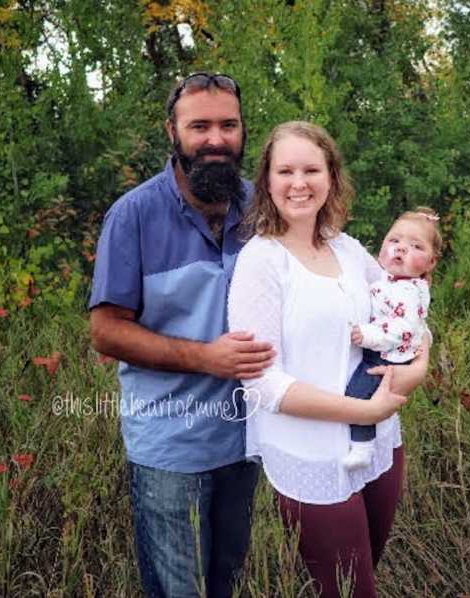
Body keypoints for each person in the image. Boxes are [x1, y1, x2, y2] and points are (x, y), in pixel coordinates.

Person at [88, 73, 275, 598]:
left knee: (225, 582)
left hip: (248, 440)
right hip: (172, 446)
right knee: (179, 590)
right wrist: (207, 358)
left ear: (242, 131)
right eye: (200, 126)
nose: (215, 139)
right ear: (172, 131)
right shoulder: (134, 216)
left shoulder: (261, 208)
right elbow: (105, 331)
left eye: (228, 125)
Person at [227, 121, 430, 598]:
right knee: (349, 590)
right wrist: (365, 410)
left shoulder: (345, 246)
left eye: (312, 169)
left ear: (331, 177)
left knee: (364, 576)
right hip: (313, 452)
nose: (299, 183)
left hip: (380, 441)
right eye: (286, 171)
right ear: (267, 181)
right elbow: (261, 384)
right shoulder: (262, 262)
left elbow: (408, 313)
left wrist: (415, 371)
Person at [343, 207, 442, 470]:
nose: (400, 249)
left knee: (358, 393)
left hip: (387, 356)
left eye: (415, 246)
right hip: (391, 351)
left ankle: (363, 446)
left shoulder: (407, 291)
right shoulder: (394, 281)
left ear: (432, 262)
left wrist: (367, 335)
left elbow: (403, 328)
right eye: (394, 241)